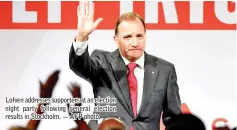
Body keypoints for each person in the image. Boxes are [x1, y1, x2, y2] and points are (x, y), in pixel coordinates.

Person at [69, 1, 182, 130]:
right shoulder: (102, 62)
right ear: (116, 40)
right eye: (128, 37)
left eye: (139, 36)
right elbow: (79, 65)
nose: (135, 43)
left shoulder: (165, 70)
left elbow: (174, 119)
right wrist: (82, 36)